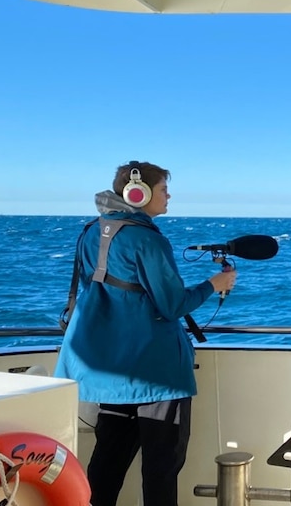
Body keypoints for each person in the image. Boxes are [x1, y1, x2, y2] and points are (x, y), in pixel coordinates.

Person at [55, 161, 236, 506]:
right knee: (161, 469)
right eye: (164, 189)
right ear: (139, 193)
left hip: (109, 373)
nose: (169, 196)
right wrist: (215, 284)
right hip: (156, 375)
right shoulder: (148, 239)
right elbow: (172, 304)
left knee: (107, 464)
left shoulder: (92, 230)